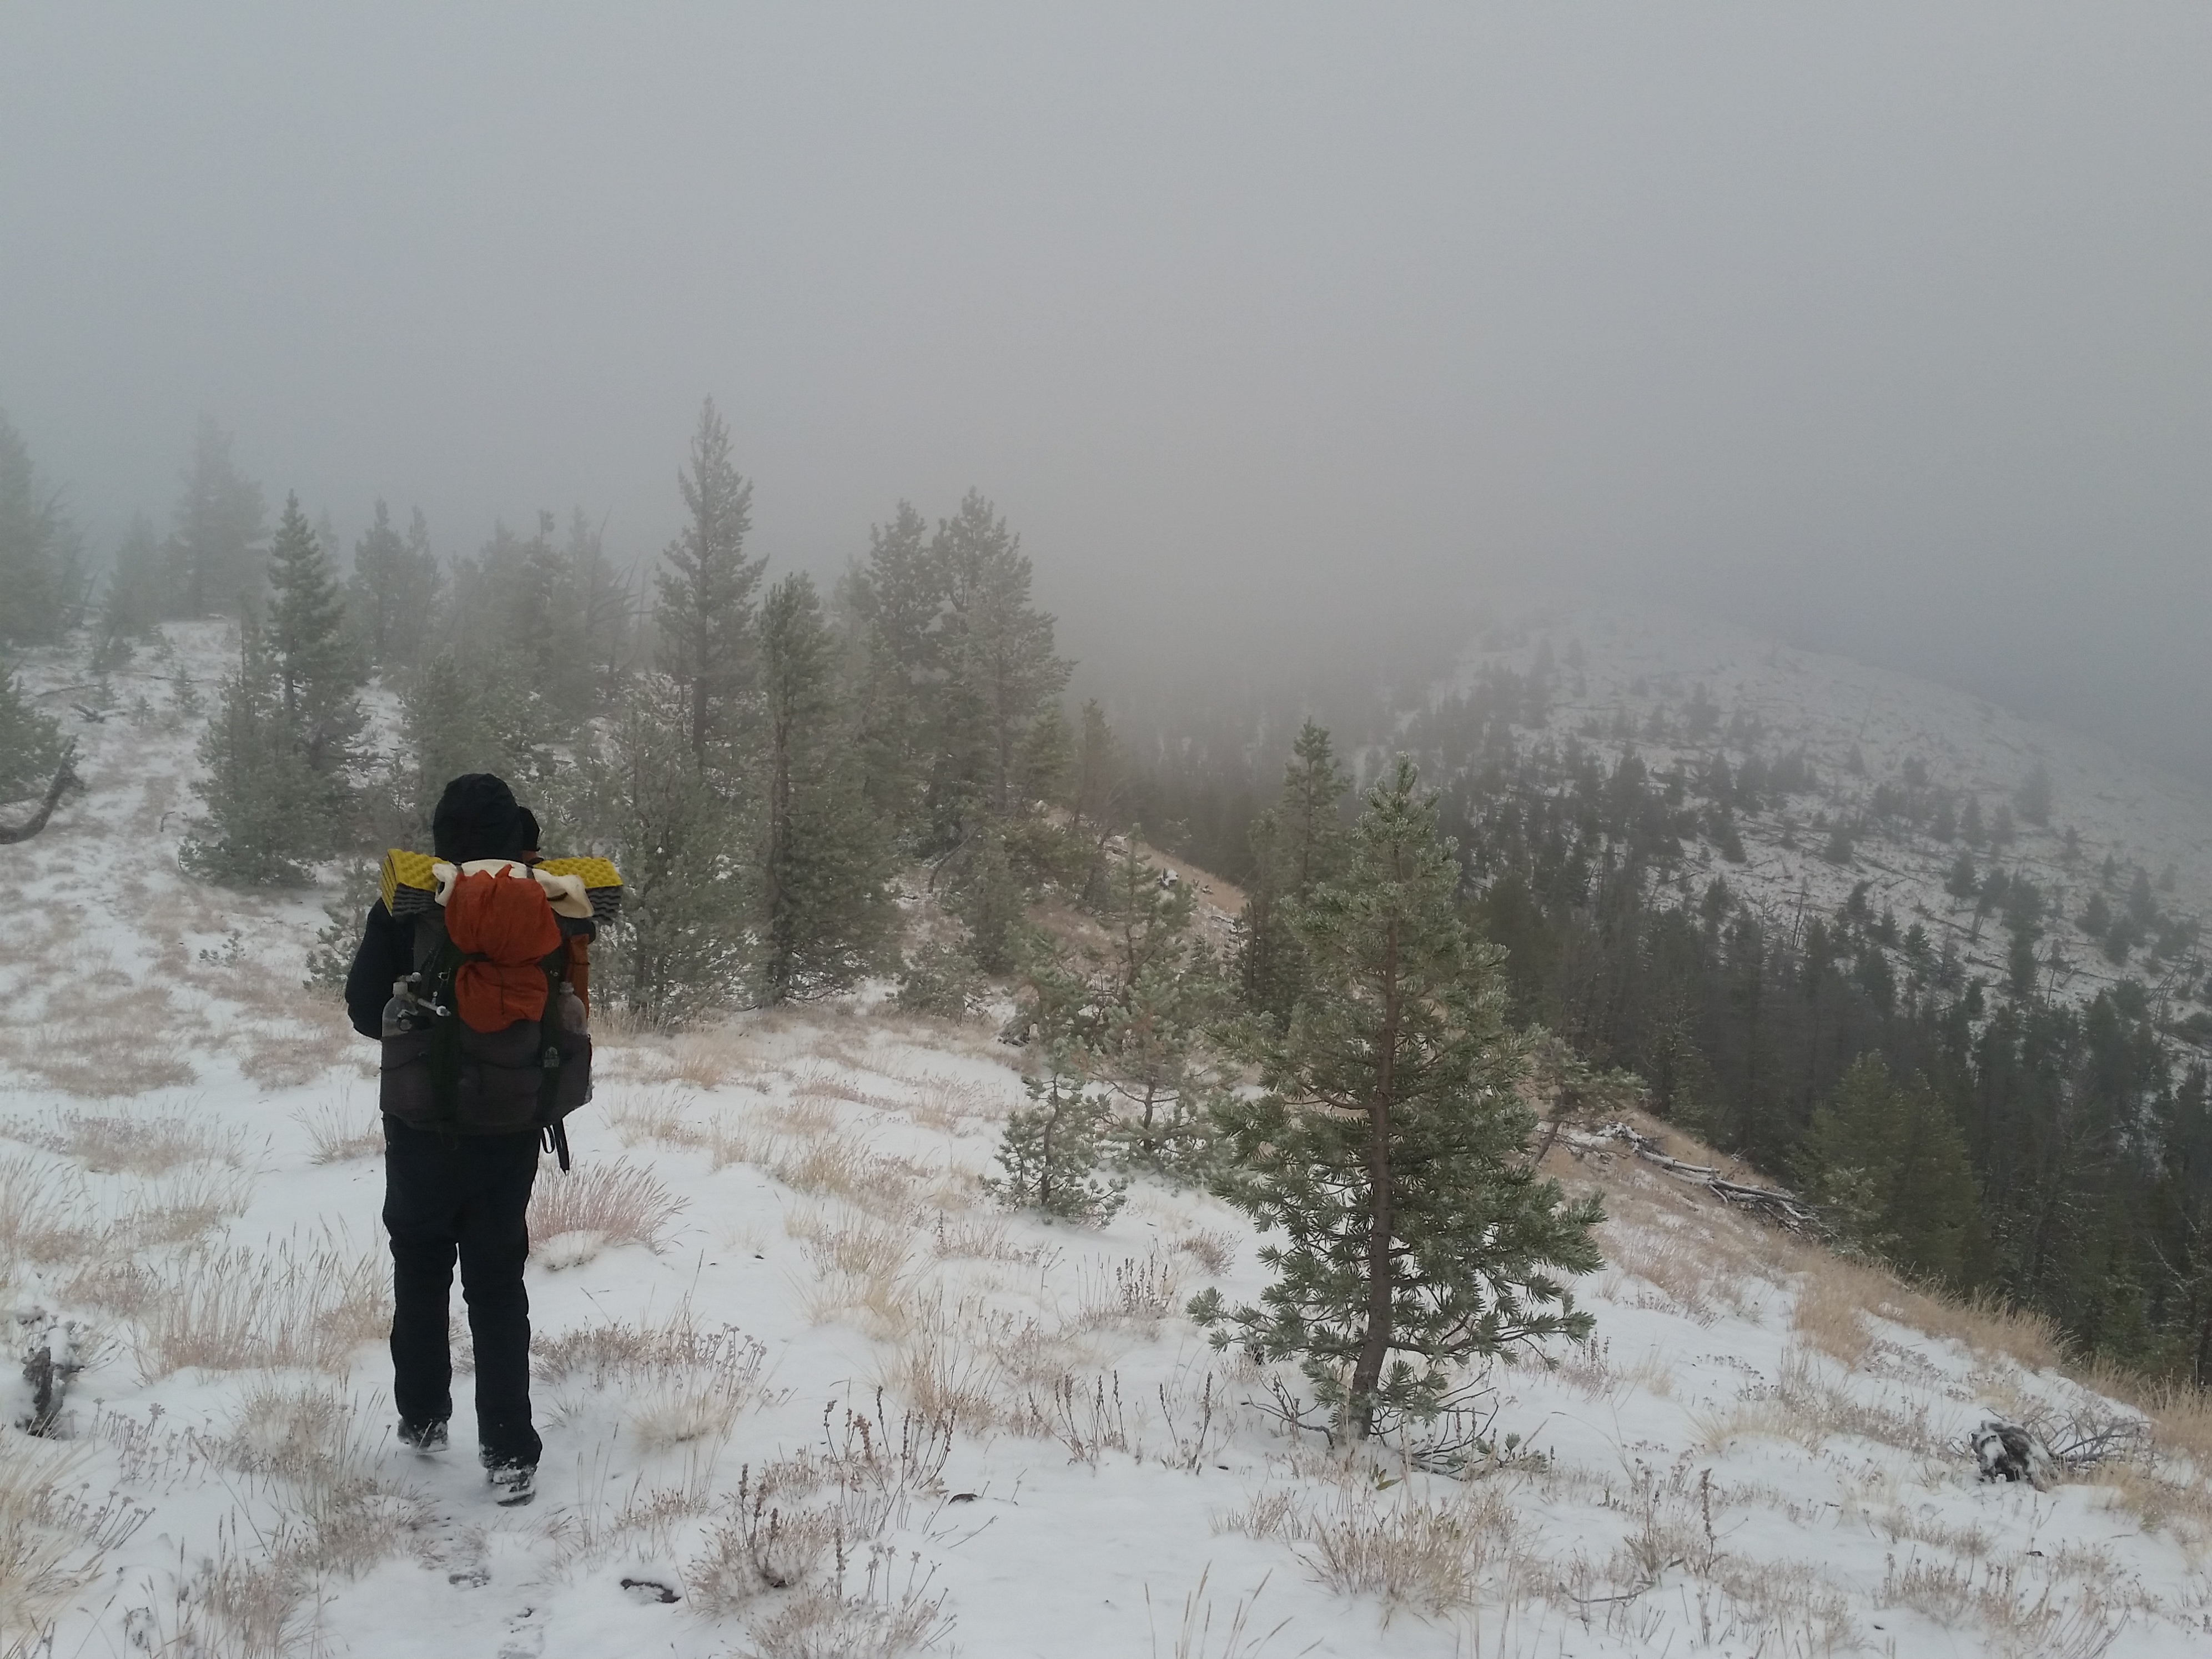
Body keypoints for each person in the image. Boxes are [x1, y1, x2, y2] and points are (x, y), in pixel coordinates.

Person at [345, 772, 546, 1505]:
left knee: (421, 1268)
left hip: (421, 1125)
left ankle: (425, 1417)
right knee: (497, 1285)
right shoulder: (546, 899)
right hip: (510, 1124)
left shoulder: (408, 899)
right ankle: (510, 1454)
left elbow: (364, 1009)